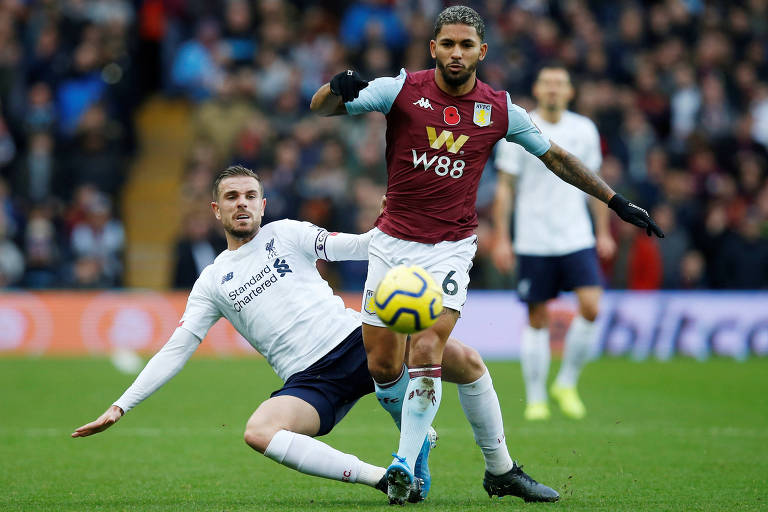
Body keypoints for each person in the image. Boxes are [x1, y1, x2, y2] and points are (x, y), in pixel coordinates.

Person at [310, 5, 663, 502]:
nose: (457, 53)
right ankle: (444, 451)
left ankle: (403, 465)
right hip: (391, 244)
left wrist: (616, 201)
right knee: (385, 366)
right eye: (448, 44)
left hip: (450, 249)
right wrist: (336, 85)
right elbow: (321, 107)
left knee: (428, 348)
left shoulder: (498, 109)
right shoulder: (401, 89)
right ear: (433, 48)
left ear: (482, 51)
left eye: (466, 45)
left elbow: (556, 156)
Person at [72, 166, 559, 504]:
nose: (241, 205)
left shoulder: (287, 233)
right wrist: (120, 406)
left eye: (249, 196)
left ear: (263, 204)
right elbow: (176, 349)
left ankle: (500, 471)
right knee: (258, 431)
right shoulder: (211, 282)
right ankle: (386, 478)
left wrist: (398, 218)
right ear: (215, 210)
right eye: (231, 198)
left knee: (471, 364)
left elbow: (363, 246)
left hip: (356, 341)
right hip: (309, 381)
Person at [492, 65, 615, 421]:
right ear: (537, 88)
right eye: (547, 83)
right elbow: (505, 187)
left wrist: (603, 232)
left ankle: (566, 382)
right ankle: (536, 398)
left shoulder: (584, 129)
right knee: (537, 317)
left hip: (576, 235)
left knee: (591, 306)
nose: (553, 89)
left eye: (560, 83)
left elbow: (595, 184)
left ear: (570, 92)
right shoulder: (519, 125)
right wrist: (503, 238)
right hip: (533, 237)